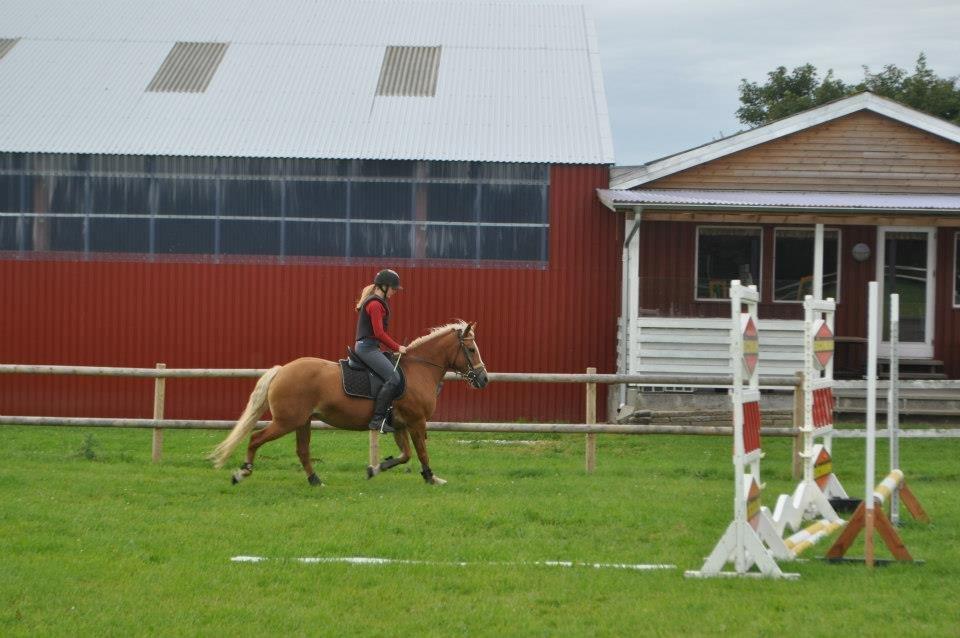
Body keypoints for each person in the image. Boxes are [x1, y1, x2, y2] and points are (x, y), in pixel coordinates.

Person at [354, 269, 407, 433]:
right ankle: (378, 420)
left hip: (370, 347)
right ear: (384, 287)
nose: (394, 292)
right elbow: (379, 333)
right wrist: (397, 347)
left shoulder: (376, 302)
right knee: (393, 377)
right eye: (393, 288)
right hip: (367, 348)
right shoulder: (375, 304)